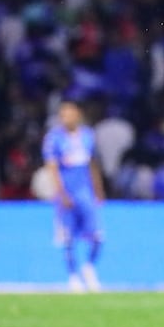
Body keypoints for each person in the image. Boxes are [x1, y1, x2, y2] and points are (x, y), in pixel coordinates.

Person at [42, 98, 106, 292]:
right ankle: (72, 277)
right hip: (67, 195)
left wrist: (98, 188)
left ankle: (88, 268)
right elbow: (52, 168)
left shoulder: (87, 136)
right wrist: (61, 194)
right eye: (62, 115)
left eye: (69, 113)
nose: (65, 118)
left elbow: (92, 164)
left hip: (85, 193)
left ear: (78, 114)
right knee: (68, 239)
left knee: (97, 236)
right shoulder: (54, 139)